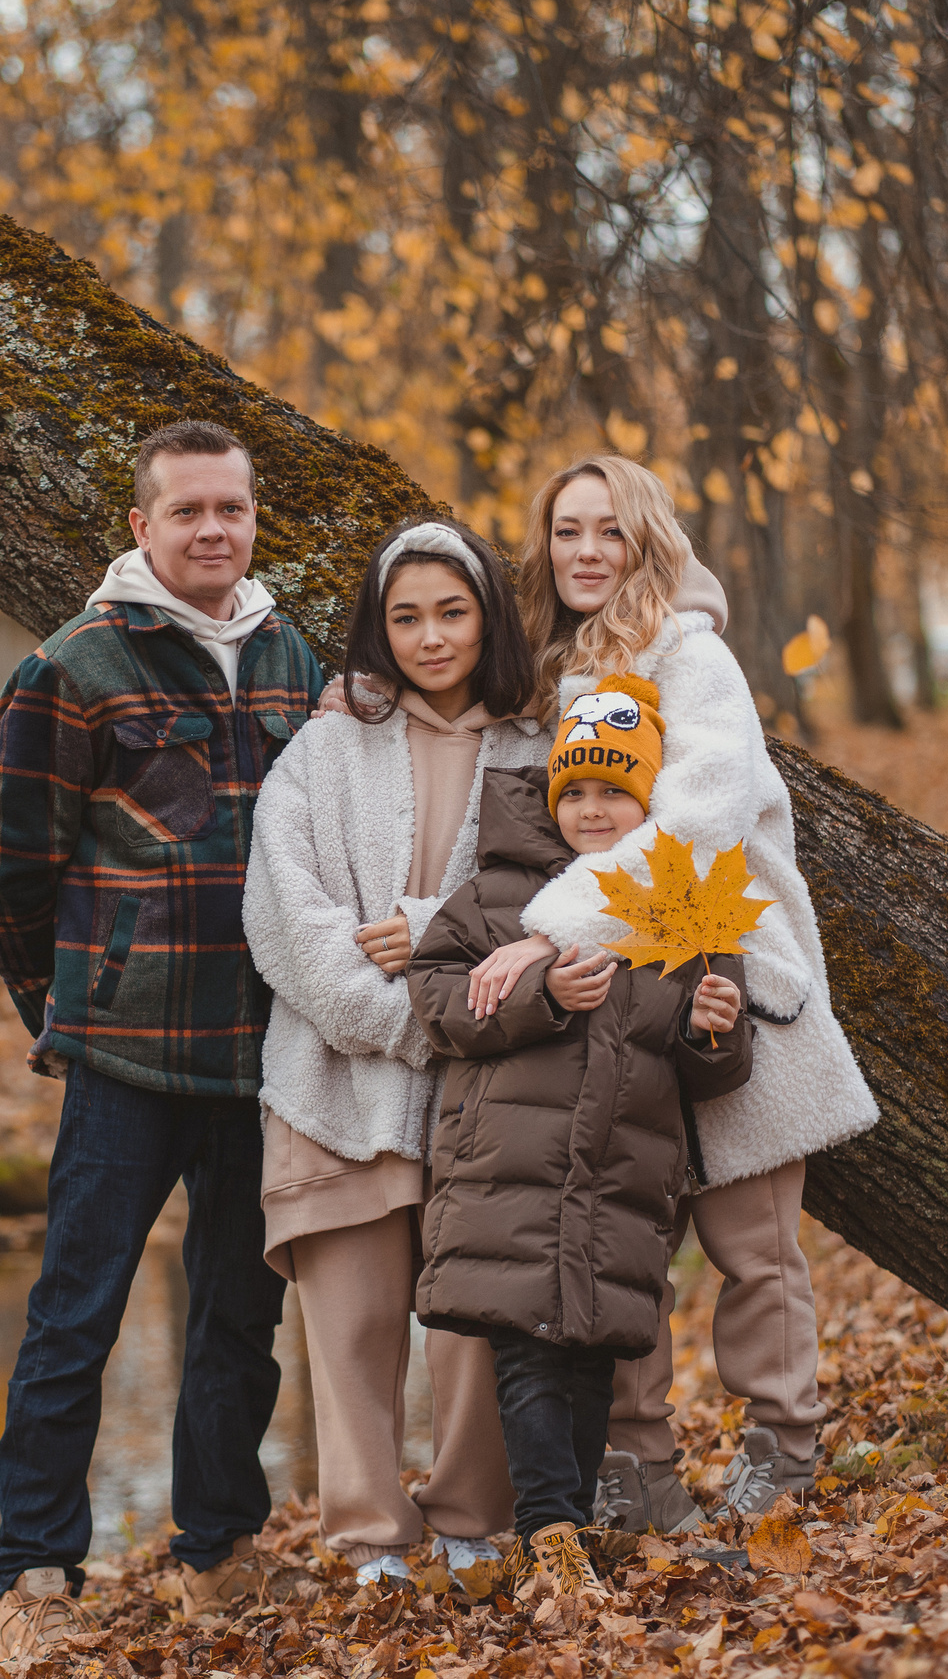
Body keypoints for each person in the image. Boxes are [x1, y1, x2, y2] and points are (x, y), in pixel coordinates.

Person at [463, 454, 879, 1533]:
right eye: (567, 531)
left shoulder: (693, 658)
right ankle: (637, 1464)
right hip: (608, 997)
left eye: (610, 530)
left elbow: (698, 820)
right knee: (621, 1236)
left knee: (752, 1243)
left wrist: (550, 931)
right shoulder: (546, 673)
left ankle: (785, 1445)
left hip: (719, 968)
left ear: (647, 543)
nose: (586, 551)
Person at [0, 419, 326, 1657]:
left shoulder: (290, 657)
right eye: (187, 511)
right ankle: (31, 1572)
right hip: (123, 1062)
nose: (212, 530)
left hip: (261, 1056)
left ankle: (217, 1550)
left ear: (251, 519)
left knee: (238, 1317)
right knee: (77, 1313)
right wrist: (67, 1010)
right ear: (142, 525)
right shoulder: (74, 665)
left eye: (230, 509)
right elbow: (7, 874)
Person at [239, 518, 542, 1594]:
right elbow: (285, 911)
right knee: (354, 1320)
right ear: (379, 628)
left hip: (488, 1082)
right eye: (406, 617)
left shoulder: (538, 748)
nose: (431, 637)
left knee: (474, 1319)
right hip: (336, 1078)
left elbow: (561, 902)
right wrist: (398, 1018)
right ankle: (371, 1539)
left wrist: (430, 939)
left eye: (452, 612)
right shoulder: (326, 747)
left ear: (489, 617)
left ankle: (472, 1519)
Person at [405, 673, 753, 1597]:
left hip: (616, 1177)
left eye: (614, 791)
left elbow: (716, 1066)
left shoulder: (678, 905)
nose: (593, 810)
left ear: (650, 799)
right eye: (577, 792)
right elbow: (438, 999)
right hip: (511, 1170)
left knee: (591, 1357)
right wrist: (542, 992)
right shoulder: (496, 895)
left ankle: (573, 1523)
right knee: (527, 1352)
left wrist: (713, 1027)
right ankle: (548, 1529)